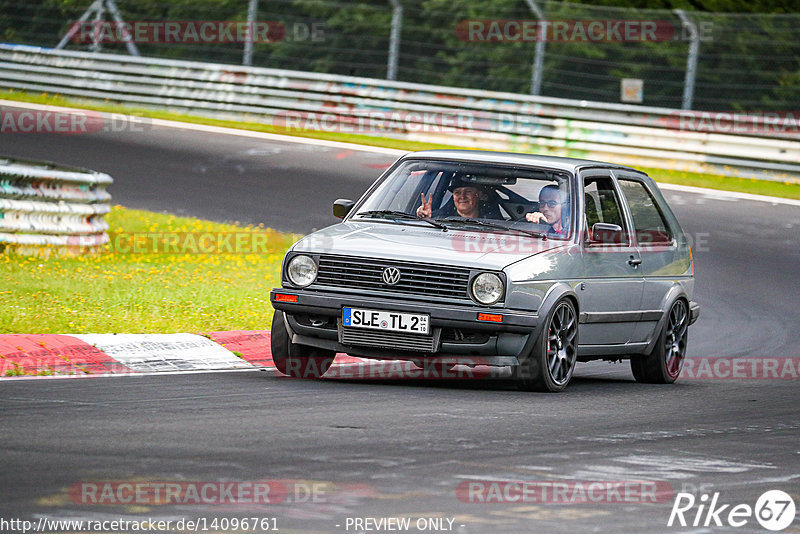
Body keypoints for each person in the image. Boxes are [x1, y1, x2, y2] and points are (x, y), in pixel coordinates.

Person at [416, 178, 501, 219]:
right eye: (457, 193)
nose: (462, 196)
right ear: (453, 196)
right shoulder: (441, 219)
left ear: (479, 194)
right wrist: (427, 217)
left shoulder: (493, 221)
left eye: (468, 192)